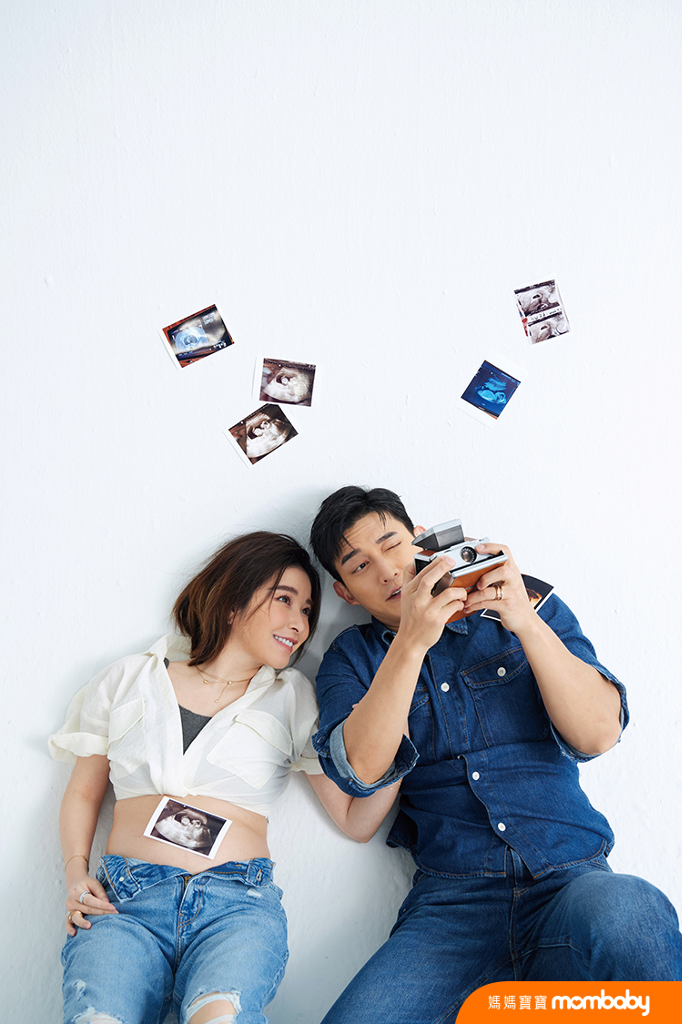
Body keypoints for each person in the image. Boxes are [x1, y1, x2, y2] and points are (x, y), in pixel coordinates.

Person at [309, 486, 682, 1024]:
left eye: (391, 545)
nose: (389, 572)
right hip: (453, 907)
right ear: (345, 592)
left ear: (420, 540)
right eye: (361, 566)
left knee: (630, 910)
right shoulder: (352, 658)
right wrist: (411, 641)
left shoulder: (525, 604)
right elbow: (362, 773)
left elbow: (600, 734)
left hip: (571, 878)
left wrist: (524, 621)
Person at [49, 531, 398, 1024]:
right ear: (234, 600)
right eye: (284, 600)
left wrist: (399, 728)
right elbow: (85, 792)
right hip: (125, 902)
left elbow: (355, 820)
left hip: (236, 907)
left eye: (306, 611)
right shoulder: (127, 678)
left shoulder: (293, 697)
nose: (299, 623)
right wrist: (75, 874)